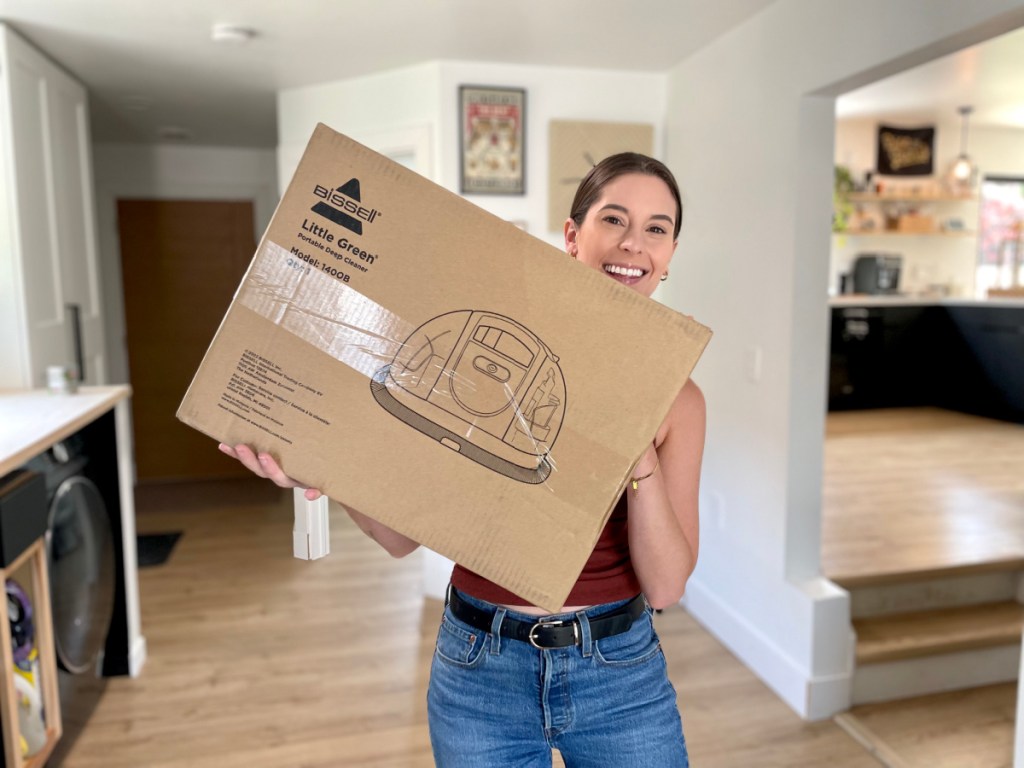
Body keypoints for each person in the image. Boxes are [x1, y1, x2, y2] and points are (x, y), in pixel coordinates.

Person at [220, 152, 706, 767]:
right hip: (479, 668)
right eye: (614, 219)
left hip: (619, 673)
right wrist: (319, 465)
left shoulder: (681, 402)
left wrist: (636, 449)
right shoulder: (484, 345)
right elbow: (398, 538)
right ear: (573, 236)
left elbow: (666, 584)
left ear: (669, 254)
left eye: (656, 228)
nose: (633, 243)